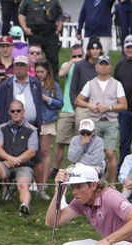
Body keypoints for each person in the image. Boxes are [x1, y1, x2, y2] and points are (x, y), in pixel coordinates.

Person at [74, 55, 127, 185]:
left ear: (110, 67)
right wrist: (89, 105)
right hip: (94, 122)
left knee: (110, 153)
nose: (103, 67)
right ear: (96, 67)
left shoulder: (116, 84)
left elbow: (124, 105)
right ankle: (95, 182)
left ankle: (113, 184)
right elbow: (78, 100)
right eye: (101, 64)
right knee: (94, 153)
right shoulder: (90, 83)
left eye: (106, 64)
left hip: (110, 122)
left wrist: (108, 107)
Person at [0, 100, 38, 216]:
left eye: (18, 111)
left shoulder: (32, 130)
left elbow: (31, 152)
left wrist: (15, 161)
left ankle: (24, 206)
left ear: (23, 112)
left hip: (24, 165)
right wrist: (10, 159)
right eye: (13, 111)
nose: (15, 113)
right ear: (9, 112)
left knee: (22, 185)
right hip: (6, 163)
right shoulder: (2, 128)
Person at [52, 44, 84, 178]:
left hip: (81, 108)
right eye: (74, 55)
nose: (77, 58)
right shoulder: (68, 64)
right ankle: (55, 169)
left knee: (81, 141)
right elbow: (60, 74)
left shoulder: (87, 66)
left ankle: (80, 169)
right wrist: (72, 62)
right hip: (66, 109)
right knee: (60, 141)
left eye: (79, 56)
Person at [34, 59, 63, 200]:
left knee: (45, 153)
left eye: (42, 72)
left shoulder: (54, 86)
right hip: (34, 122)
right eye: (37, 71)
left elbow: (60, 103)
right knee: (34, 153)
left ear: (47, 72)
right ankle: (34, 182)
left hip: (47, 122)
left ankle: (43, 185)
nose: (39, 74)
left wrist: (46, 99)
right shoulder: (32, 84)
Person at [114, 35, 132, 165]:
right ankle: (123, 167)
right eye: (128, 47)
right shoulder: (119, 65)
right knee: (124, 141)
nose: (130, 50)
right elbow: (115, 86)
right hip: (123, 110)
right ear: (124, 49)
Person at [18, 0, 63, 75]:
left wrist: (58, 30)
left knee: (53, 59)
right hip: (34, 34)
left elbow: (60, 16)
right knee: (34, 59)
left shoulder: (54, 1)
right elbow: (21, 14)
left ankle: (53, 81)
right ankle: (33, 77)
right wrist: (25, 28)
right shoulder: (27, 1)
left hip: (50, 35)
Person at [0, 55, 42, 129]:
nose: (20, 68)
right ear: (13, 67)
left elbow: (39, 103)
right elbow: (0, 106)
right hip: (12, 127)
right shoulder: (5, 85)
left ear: (28, 67)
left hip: (33, 126)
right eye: (17, 65)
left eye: (23, 65)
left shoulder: (36, 83)